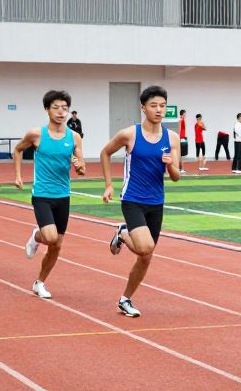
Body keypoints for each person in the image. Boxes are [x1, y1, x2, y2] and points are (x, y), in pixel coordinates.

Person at [100, 85, 181, 318]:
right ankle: (124, 232)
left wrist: (169, 164)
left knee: (146, 256)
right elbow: (105, 152)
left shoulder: (172, 138)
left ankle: (125, 299)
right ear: (143, 107)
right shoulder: (130, 134)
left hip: (157, 201)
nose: (159, 110)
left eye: (163, 106)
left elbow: (176, 176)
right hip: (133, 198)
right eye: (154, 105)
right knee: (145, 247)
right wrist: (108, 185)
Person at [13, 90, 85, 300]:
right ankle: (36, 236)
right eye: (56, 107)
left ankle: (40, 282)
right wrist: (18, 175)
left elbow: (82, 169)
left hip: (63, 195)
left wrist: (79, 166)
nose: (61, 112)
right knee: (51, 237)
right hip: (42, 194)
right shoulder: (37, 134)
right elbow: (17, 150)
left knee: (57, 245)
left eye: (64, 108)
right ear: (47, 109)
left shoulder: (74, 137)